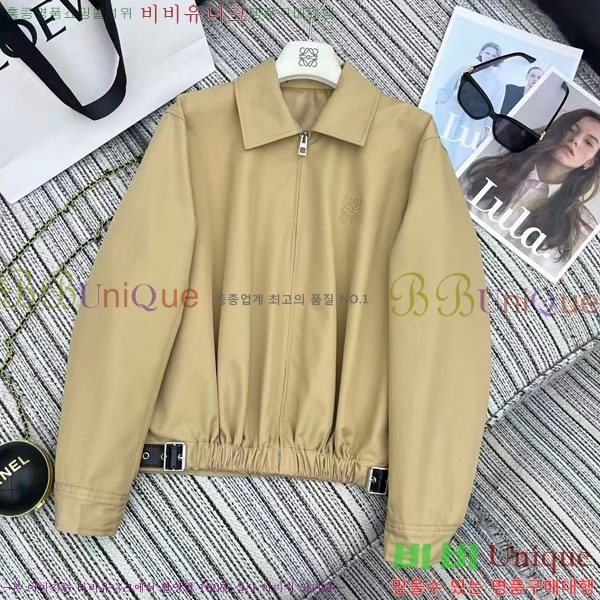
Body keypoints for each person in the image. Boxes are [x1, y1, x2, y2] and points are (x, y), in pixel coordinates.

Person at [459, 108, 600, 275]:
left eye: (588, 142)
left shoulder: (579, 226)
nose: (575, 140)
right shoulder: (492, 168)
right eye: (571, 129)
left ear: (590, 162)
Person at [434, 42, 505, 170]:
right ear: (481, 53)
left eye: (494, 55)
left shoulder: (498, 83)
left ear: (498, 59)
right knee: (439, 143)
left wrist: (486, 132)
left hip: (472, 124)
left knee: (457, 156)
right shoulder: (466, 69)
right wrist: (441, 106)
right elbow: (447, 89)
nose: (489, 57)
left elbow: (495, 110)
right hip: (451, 113)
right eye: (487, 53)